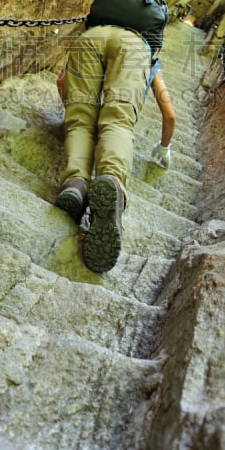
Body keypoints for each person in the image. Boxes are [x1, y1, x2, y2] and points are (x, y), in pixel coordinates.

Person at [55, 20, 176, 274]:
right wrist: (164, 147)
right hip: (131, 51)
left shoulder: (98, 29)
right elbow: (169, 113)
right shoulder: (148, 54)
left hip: (89, 40)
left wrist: (76, 113)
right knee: (118, 122)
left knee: (81, 122)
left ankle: (76, 184)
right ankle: (111, 183)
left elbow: (61, 81)